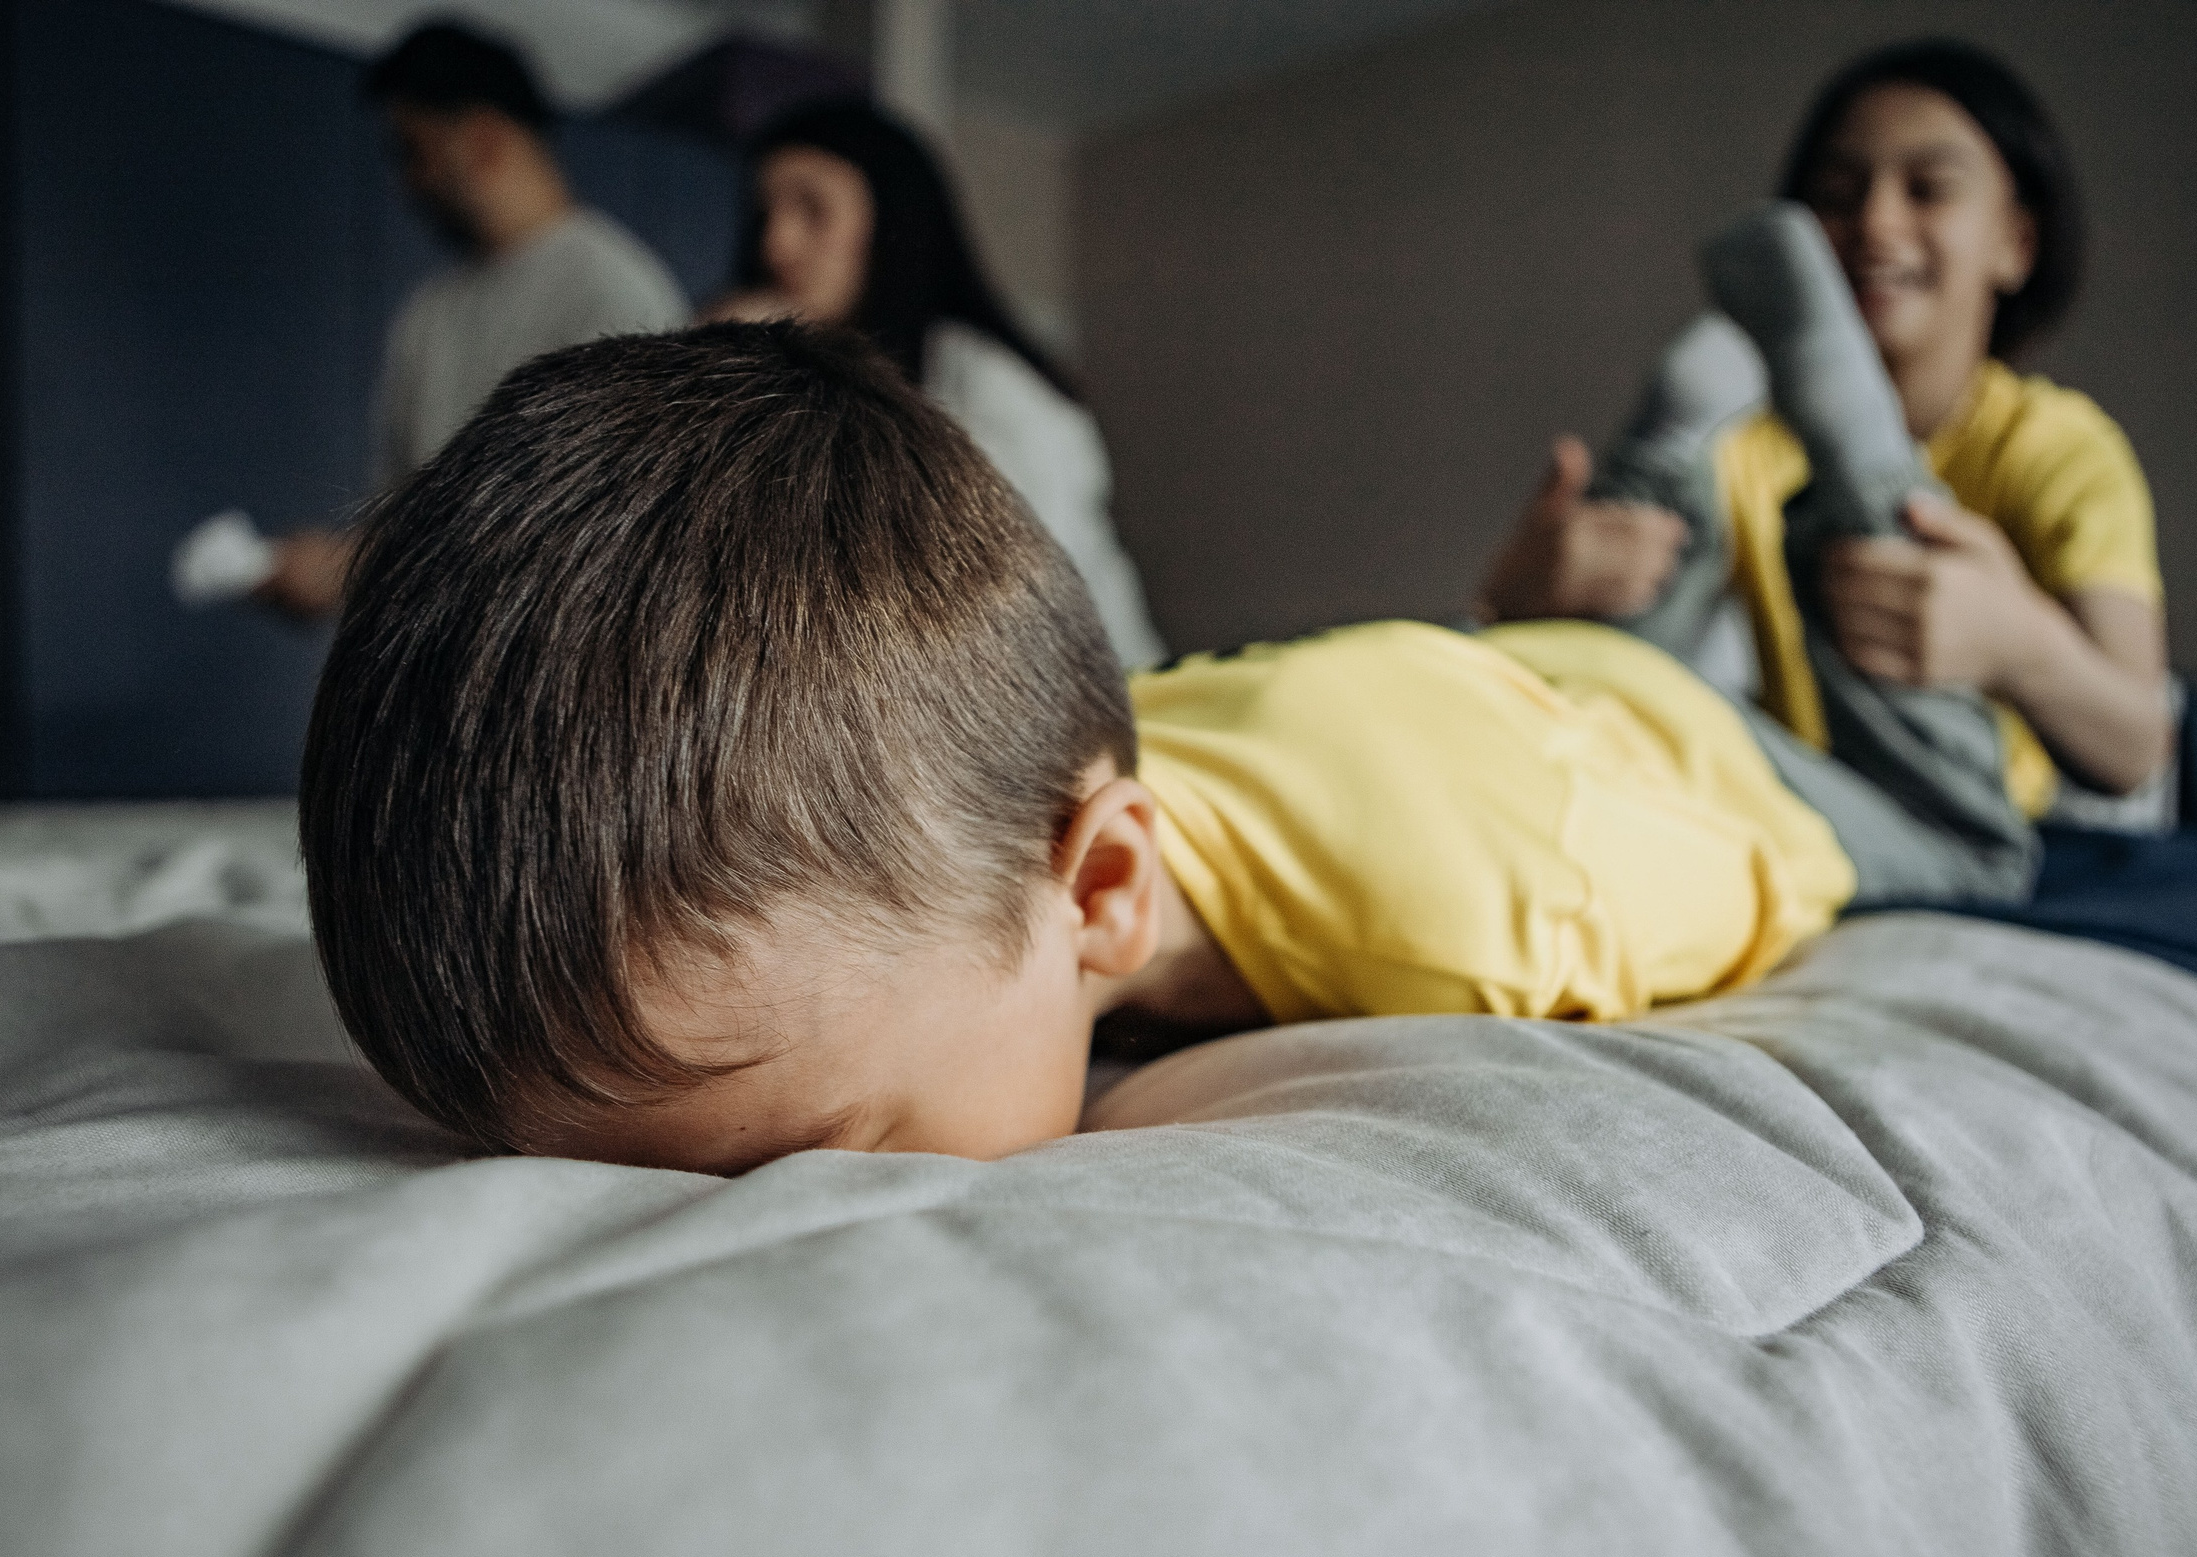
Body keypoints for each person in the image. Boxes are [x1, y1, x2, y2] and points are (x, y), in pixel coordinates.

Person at [299, 322, 1881, 1175]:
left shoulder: (1472, 917)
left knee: (1925, 771)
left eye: (804, 1161)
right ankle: (1662, 454)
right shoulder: (997, 791)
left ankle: (1804, 423)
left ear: (1106, 883)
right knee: (1572, 608)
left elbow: (1744, 848)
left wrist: (1814, 828)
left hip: (1635, 748)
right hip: (1401, 698)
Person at [1482, 39, 2173, 848]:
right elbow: (1621, 673)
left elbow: (2138, 746)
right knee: (1640, 742)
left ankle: (1858, 454)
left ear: (2016, 242)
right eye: (1838, 195)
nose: (1876, 223)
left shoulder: (2058, 450)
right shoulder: (1744, 447)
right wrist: (1517, 605)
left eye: (1928, 189)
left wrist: (2019, 645)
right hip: (1807, 796)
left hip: (1968, 814)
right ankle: (1797, 453)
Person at [709, 99, 1169, 670]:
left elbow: (1003, 616)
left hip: (1096, 707)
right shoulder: (825, 385)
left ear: (889, 220)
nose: (774, 245)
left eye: (812, 208)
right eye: (764, 214)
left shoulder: (986, 389)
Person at [258, 22, 690, 618]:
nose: (406, 182)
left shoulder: (613, 289)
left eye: (415, 152)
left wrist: (348, 575)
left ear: (486, 140)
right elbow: (402, 522)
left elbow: (615, 543)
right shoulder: (427, 316)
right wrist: (344, 566)